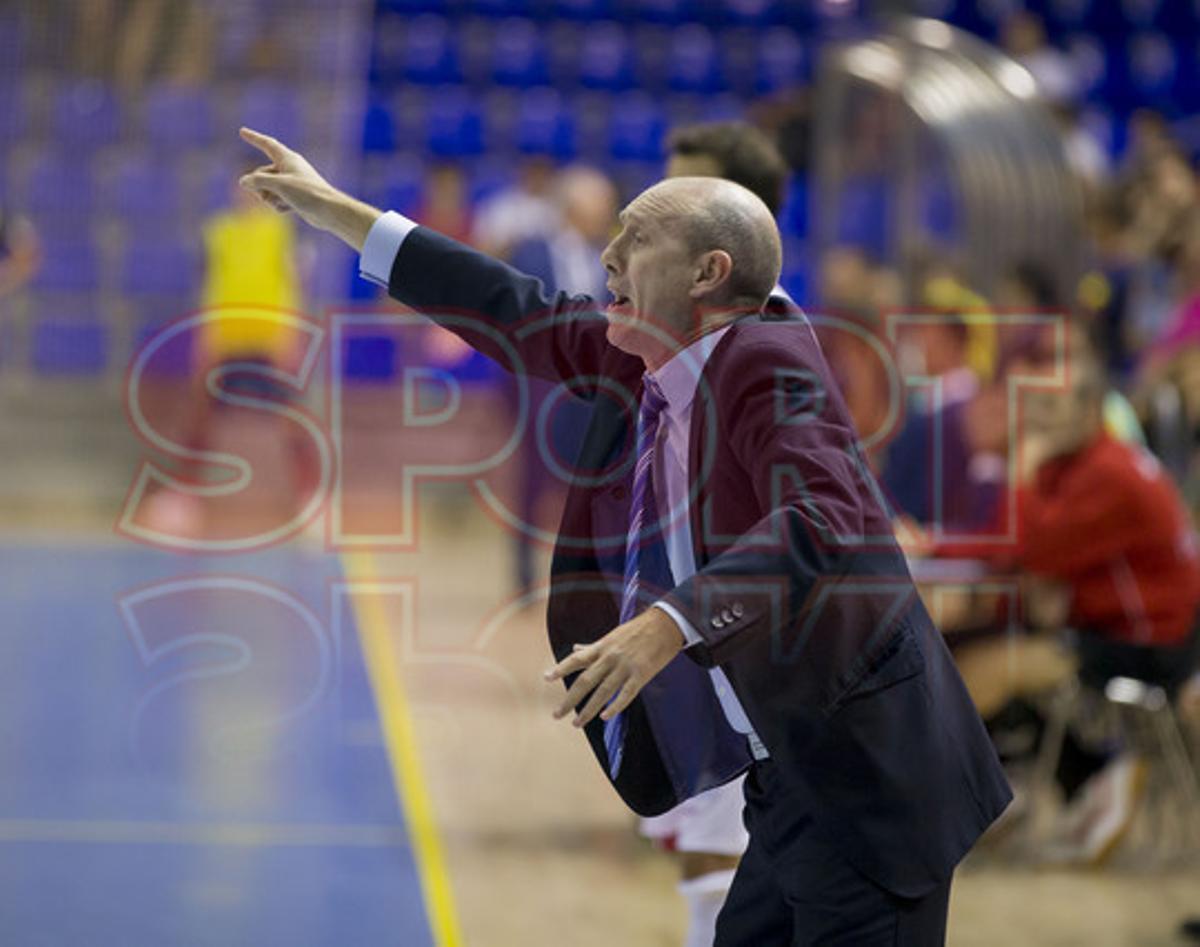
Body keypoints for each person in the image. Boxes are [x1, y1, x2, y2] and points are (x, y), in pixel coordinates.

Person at [239, 125, 1011, 945]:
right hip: (790, 769)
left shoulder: (768, 364)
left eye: (633, 242)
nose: (607, 258)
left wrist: (662, 626)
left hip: (867, 782)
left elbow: (824, 516)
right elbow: (512, 306)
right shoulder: (639, 352)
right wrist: (341, 215)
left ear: (709, 272)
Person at [640, 120, 790, 947]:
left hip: (744, 643)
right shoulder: (656, 332)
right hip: (681, 630)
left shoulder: (772, 350)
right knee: (709, 850)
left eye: (681, 197)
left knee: (726, 853)